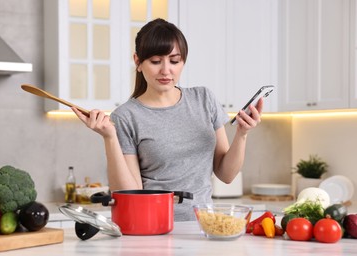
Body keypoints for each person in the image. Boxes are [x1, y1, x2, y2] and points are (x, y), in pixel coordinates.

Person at [72, 18, 263, 221]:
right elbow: (129, 193)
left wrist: (242, 134)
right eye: (155, 61)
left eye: (174, 61)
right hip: (151, 226)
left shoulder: (204, 99)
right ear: (137, 61)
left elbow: (226, 175)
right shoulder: (126, 116)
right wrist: (109, 138)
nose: (166, 70)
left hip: (203, 226)